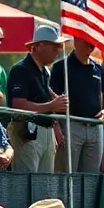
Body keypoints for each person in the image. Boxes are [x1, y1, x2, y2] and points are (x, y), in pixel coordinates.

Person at [6, 24, 69, 173]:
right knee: (27, 185)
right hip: (28, 132)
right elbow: (18, 104)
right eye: (54, 46)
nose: (58, 50)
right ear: (39, 46)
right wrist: (51, 105)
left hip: (46, 132)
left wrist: (56, 127)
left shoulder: (45, 71)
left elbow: (46, 100)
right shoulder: (21, 69)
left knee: (44, 186)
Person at [51, 36, 104, 173]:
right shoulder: (61, 67)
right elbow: (50, 97)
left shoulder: (98, 67)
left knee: (91, 177)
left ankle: (86, 196)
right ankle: (64, 196)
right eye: (88, 44)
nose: (90, 48)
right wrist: (56, 127)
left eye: (93, 45)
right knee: (67, 174)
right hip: (70, 125)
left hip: (94, 127)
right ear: (77, 42)